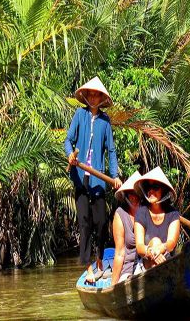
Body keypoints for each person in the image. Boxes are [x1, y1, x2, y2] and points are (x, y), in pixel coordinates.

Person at [65, 76, 122, 284]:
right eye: (90, 94)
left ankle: (100, 260)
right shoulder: (79, 115)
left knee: (100, 223)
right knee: (84, 223)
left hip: (98, 178)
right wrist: (70, 154)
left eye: (96, 94)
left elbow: (111, 151)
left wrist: (114, 176)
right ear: (87, 96)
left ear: (100, 98)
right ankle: (89, 268)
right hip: (81, 178)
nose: (92, 97)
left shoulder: (105, 121)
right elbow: (68, 141)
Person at [134, 167, 180, 268]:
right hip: (145, 264)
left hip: (167, 262)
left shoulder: (173, 214)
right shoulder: (141, 213)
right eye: (148, 187)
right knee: (155, 242)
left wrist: (160, 249)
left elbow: (171, 243)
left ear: (163, 189)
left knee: (157, 243)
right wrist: (153, 253)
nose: (151, 191)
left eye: (155, 187)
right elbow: (140, 246)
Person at [111, 170, 143, 286]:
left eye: (136, 193)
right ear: (126, 195)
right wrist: (113, 286)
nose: (134, 197)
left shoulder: (148, 211)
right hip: (129, 269)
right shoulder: (121, 214)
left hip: (147, 265)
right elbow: (120, 253)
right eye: (130, 193)